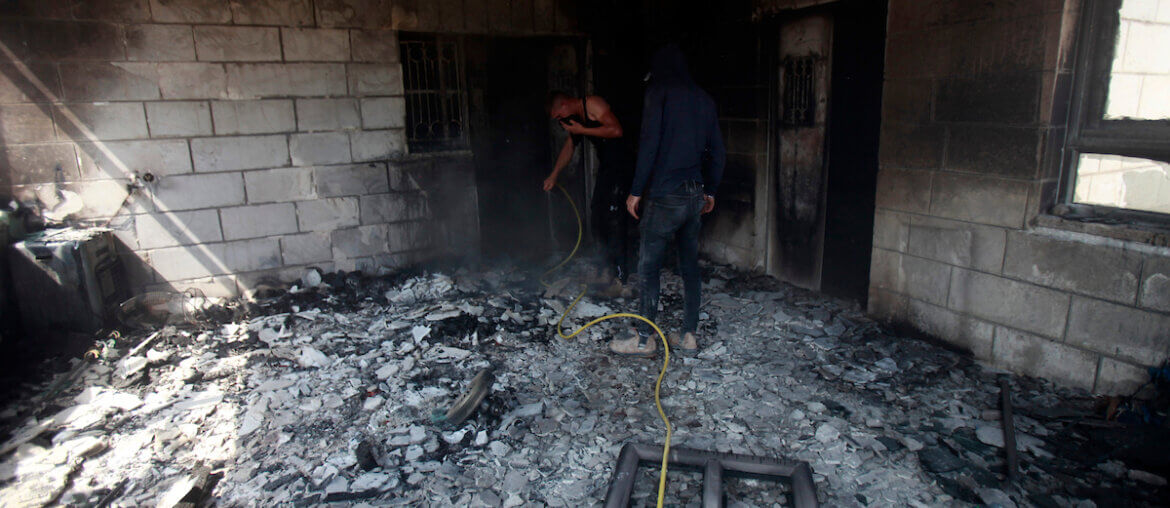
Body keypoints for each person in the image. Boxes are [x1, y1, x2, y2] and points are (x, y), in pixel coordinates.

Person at [610, 44, 725, 357]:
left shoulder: (659, 92)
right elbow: (718, 150)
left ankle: (645, 338)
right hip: (694, 194)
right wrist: (710, 190)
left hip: (666, 194)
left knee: (648, 267)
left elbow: (649, 144)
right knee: (689, 265)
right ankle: (688, 335)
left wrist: (636, 190)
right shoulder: (705, 99)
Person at [544, 92, 634, 289]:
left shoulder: (592, 104)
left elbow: (616, 130)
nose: (560, 120)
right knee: (597, 216)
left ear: (565, 105)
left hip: (623, 167)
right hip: (607, 168)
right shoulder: (576, 121)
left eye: (559, 116)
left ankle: (620, 276)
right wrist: (554, 174)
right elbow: (570, 146)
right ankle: (604, 270)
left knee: (614, 219)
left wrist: (583, 129)